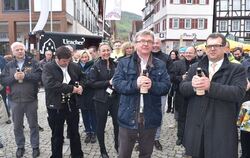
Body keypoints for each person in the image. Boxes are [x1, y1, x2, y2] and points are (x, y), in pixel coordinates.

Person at [179, 33, 247, 158]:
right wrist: (192, 85)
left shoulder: (237, 69)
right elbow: (182, 88)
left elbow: (238, 93)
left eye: (216, 45)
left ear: (225, 47)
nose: (212, 49)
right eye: (209, 46)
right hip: (197, 127)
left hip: (221, 128)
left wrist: (210, 86)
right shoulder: (195, 67)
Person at [112, 30, 171, 158]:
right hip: (128, 115)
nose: (146, 44)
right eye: (142, 41)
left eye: (149, 41)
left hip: (150, 117)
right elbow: (117, 84)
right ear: (136, 43)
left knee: (146, 154)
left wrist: (152, 85)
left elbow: (166, 86)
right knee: (124, 154)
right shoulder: (123, 62)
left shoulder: (160, 64)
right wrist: (135, 84)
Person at [42, 46, 84, 158]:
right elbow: (50, 84)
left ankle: (77, 155)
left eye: (68, 60)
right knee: (57, 134)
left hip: (72, 103)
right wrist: (71, 89)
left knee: (75, 132)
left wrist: (81, 86)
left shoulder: (74, 66)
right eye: (64, 61)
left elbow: (83, 78)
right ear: (57, 58)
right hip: (55, 105)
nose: (66, 63)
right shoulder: (48, 67)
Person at [1, 42, 41, 158]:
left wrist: (26, 76)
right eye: (17, 49)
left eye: (21, 49)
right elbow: (3, 80)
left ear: (25, 50)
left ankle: (35, 147)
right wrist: (13, 78)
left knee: (33, 125)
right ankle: (20, 146)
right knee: (17, 126)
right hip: (15, 100)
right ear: (13, 52)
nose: (20, 51)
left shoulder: (33, 62)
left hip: (31, 100)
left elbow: (39, 77)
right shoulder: (9, 65)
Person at [89, 42, 119, 158]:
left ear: (110, 51)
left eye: (108, 50)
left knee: (117, 124)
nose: (106, 52)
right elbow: (91, 83)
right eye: (103, 50)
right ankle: (103, 150)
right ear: (99, 53)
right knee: (101, 125)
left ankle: (118, 145)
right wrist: (108, 82)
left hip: (115, 97)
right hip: (101, 99)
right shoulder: (95, 66)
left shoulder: (115, 64)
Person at [170, 46, 197, 146]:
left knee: (193, 118)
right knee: (181, 117)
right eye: (187, 53)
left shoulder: (200, 64)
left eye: (191, 53)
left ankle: (191, 137)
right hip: (181, 95)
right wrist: (181, 77)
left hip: (195, 95)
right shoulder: (177, 64)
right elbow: (171, 77)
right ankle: (180, 137)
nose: (188, 54)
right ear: (184, 54)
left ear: (195, 54)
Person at [78, 50, 97, 144]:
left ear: (89, 57)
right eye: (83, 57)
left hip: (91, 93)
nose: (84, 59)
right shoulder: (76, 66)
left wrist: (83, 83)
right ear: (80, 58)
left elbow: (92, 79)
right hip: (81, 94)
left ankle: (94, 132)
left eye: (86, 57)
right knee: (84, 113)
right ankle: (88, 132)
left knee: (92, 113)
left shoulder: (93, 65)